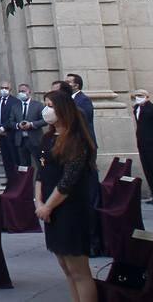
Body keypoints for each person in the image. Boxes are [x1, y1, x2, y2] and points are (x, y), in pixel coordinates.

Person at [34, 90, 97, 302]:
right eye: (45, 104)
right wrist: (39, 201)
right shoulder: (48, 138)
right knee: (66, 268)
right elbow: (41, 173)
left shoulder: (76, 140)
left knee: (78, 269)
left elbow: (68, 180)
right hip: (51, 209)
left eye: (50, 105)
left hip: (70, 209)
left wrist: (48, 206)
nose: (46, 110)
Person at [64, 73, 102, 256]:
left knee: (89, 202)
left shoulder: (83, 102)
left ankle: (93, 242)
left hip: (84, 160)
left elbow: (86, 124)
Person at [0, 81, 19, 184]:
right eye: (2, 87)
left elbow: (14, 117)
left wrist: (4, 127)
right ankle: (9, 179)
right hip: (0, 134)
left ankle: (16, 180)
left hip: (11, 134)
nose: (4, 90)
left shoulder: (15, 101)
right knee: (5, 159)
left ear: (10, 89)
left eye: (6, 88)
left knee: (14, 158)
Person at [14, 83, 44, 167]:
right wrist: (18, 125)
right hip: (21, 140)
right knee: (24, 165)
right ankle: (27, 180)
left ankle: (40, 179)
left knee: (40, 163)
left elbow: (44, 120)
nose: (21, 93)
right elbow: (11, 121)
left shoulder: (38, 105)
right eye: (20, 91)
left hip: (35, 139)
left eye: (23, 91)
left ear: (29, 92)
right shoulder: (15, 106)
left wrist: (31, 124)